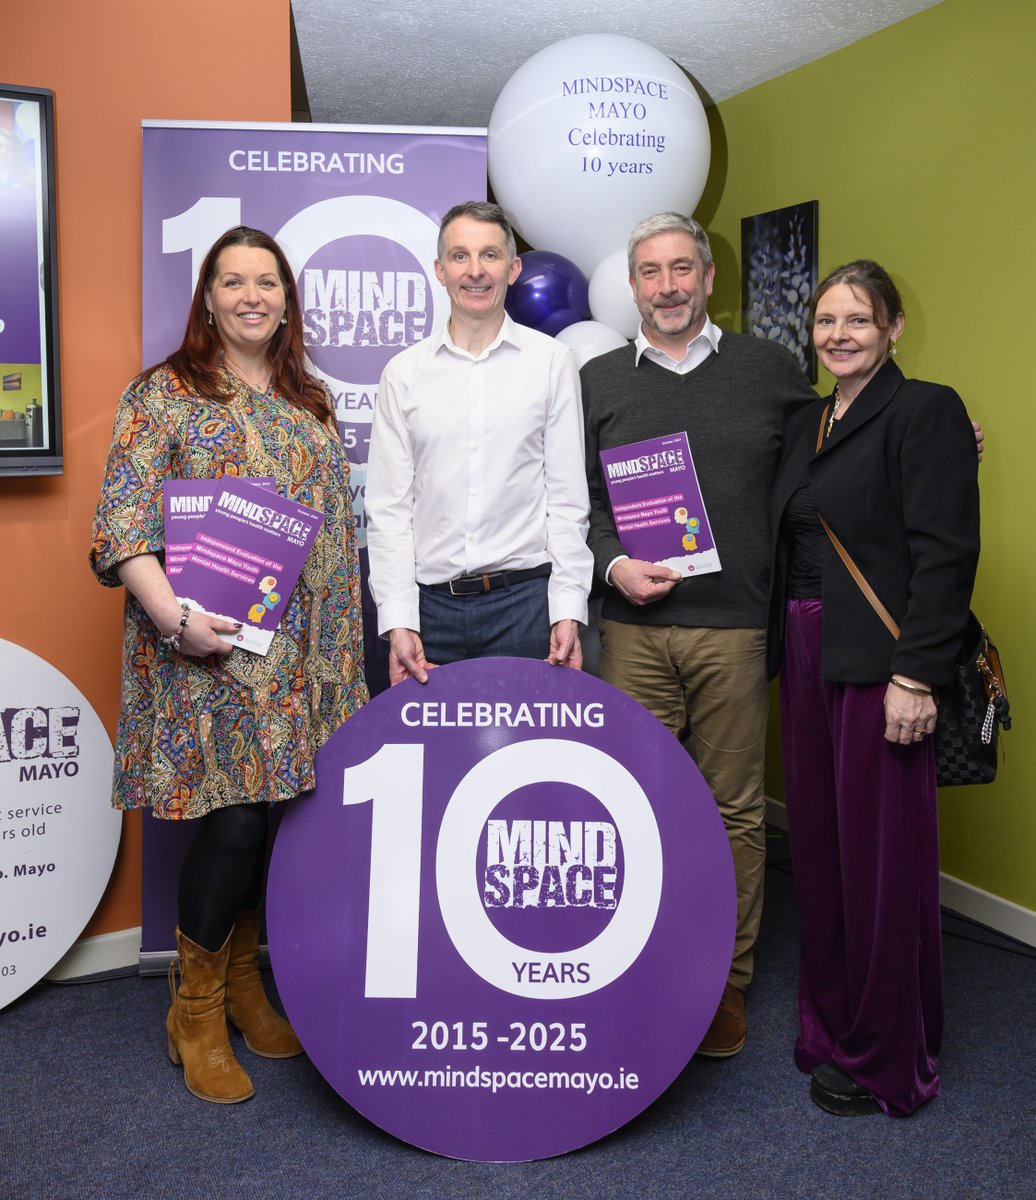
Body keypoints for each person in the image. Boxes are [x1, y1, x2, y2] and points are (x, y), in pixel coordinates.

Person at [90, 226, 368, 1104]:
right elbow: (123, 528)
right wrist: (176, 620)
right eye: (233, 281)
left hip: (299, 660)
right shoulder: (164, 395)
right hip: (203, 654)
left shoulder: (310, 403)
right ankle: (196, 1009)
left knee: (277, 811)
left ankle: (245, 984)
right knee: (238, 817)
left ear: (287, 300)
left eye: (268, 283)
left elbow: (333, 539)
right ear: (207, 297)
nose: (253, 296)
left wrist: (340, 659)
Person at [581, 212, 818, 1057]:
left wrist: (934, 442)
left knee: (732, 816)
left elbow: (838, 445)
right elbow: (581, 510)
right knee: (632, 808)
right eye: (651, 272)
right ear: (633, 286)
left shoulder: (768, 370)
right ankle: (639, 964)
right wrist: (613, 568)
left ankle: (725, 982)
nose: (669, 286)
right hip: (635, 633)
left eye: (683, 268)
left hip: (732, 630)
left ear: (709, 278)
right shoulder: (600, 382)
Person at [767, 260, 979, 1116]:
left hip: (883, 664)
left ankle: (890, 1054)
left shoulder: (926, 409)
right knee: (820, 851)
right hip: (806, 646)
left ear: (892, 326)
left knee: (881, 863)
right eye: (825, 321)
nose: (839, 335)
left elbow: (945, 554)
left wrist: (916, 676)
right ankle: (832, 1025)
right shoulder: (807, 421)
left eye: (858, 319)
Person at [365, 201, 593, 683]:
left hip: (526, 609)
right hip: (430, 614)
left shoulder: (552, 362)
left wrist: (567, 606)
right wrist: (398, 619)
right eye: (460, 256)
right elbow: (388, 509)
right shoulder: (403, 374)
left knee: (529, 758)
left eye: (489, 255)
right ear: (440, 269)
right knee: (433, 759)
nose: (475, 271)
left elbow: (569, 500)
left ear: (513, 269)